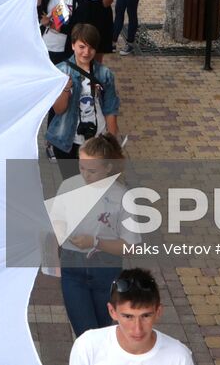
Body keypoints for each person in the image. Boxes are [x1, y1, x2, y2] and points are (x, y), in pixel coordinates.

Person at [56, 135, 138, 337]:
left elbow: (131, 246)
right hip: (72, 271)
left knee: (101, 334)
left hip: (106, 272)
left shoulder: (123, 197)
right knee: (86, 335)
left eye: (92, 171)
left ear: (108, 168)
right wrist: (59, 232)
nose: (84, 175)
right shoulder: (68, 187)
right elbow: (56, 222)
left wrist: (95, 242)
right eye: (81, 167)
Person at [68, 269, 194, 365]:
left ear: (158, 312)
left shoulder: (179, 358)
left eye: (145, 316)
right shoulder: (87, 347)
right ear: (112, 311)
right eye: (128, 316)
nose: (137, 329)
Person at [46, 23, 119, 177]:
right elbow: (58, 110)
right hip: (68, 141)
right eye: (82, 47)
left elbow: (110, 109)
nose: (86, 52)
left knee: (95, 186)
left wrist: (113, 145)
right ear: (73, 45)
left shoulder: (104, 74)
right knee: (72, 187)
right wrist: (66, 88)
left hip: (97, 141)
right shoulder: (60, 72)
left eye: (91, 48)